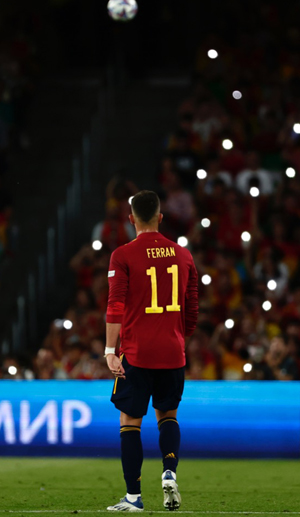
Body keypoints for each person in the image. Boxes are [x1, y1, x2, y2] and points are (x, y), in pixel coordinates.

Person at [104, 190, 199, 511]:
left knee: (130, 421)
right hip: (172, 353)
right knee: (168, 416)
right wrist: (174, 336)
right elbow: (193, 312)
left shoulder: (123, 255)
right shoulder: (184, 255)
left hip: (137, 353)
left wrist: (109, 349)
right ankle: (169, 471)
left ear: (131, 219)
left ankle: (133, 497)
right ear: (160, 217)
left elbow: (115, 304)